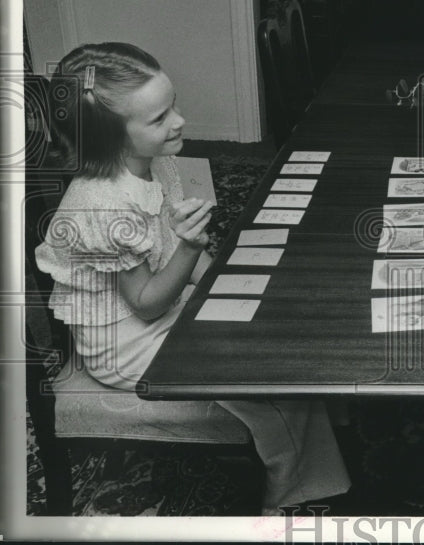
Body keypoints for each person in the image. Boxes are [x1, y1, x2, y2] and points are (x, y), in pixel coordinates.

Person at [34, 42, 351, 515]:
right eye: (159, 119)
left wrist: (222, 288)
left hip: (158, 308)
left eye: (173, 105)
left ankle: (319, 427)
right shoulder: (103, 204)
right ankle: (293, 496)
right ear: (109, 139)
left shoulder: (154, 163)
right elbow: (145, 303)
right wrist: (191, 248)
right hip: (124, 344)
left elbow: (175, 252)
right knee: (267, 375)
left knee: (274, 329)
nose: (179, 121)